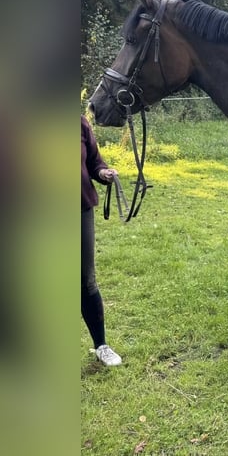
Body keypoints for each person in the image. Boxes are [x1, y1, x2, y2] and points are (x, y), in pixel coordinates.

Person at [81, 114, 122, 366]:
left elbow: (93, 161)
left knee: (86, 280)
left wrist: (103, 172)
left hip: (78, 208)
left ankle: (101, 345)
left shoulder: (79, 123)